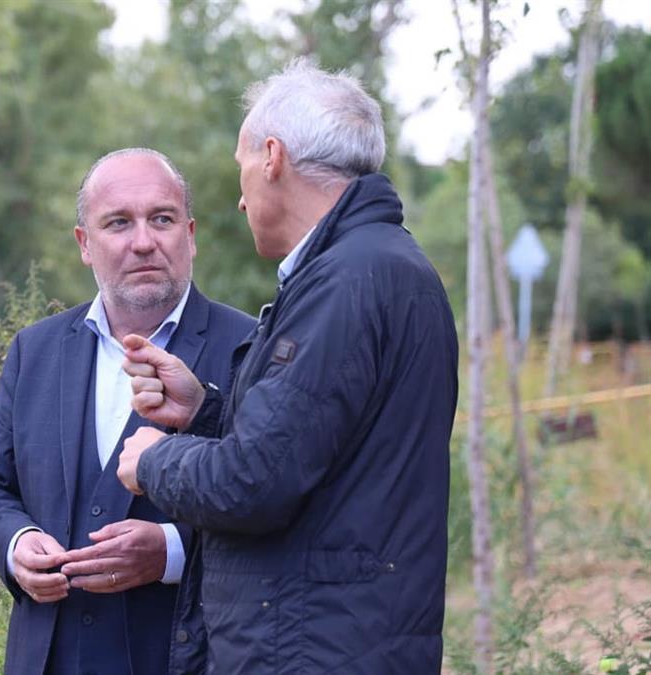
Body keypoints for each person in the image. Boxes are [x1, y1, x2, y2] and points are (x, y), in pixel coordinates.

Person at [116, 61, 459, 673]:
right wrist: (204, 409)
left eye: (242, 169)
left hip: (311, 648)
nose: (242, 197)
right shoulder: (375, 266)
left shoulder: (346, 282)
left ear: (272, 156)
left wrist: (154, 460)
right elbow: (321, 450)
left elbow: (254, 484)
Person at [0, 148, 255, 675]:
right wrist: (16, 543)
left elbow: (276, 504)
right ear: (84, 245)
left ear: (190, 234)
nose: (143, 242)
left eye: (161, 219)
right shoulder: (35, 350)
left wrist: (172, 553)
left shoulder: (249, 348)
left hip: (184, 657)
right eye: (118, 223)